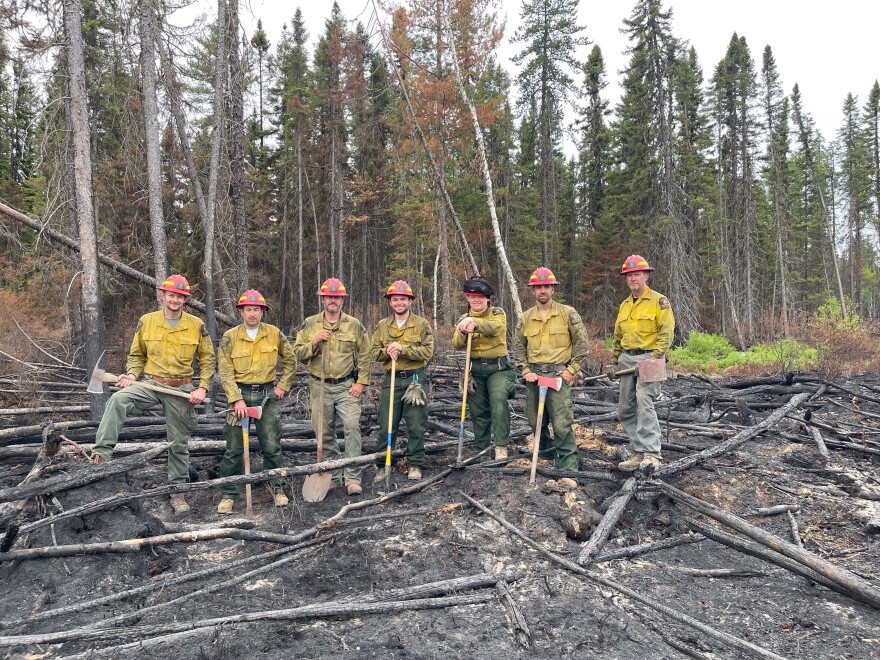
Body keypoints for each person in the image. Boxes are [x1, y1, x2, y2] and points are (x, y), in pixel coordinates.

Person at [90, 274, 214, 515]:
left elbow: (208, 360)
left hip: (180, 389)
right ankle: (100, 458)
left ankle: (177, 492)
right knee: (117, 400)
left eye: (180, 296)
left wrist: (202, 387)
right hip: (149, 384)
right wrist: (132, 376)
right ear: (163, 295)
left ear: (185, 299)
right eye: (171, 295)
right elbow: (137, 356)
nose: (175, 299)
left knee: (178, 442)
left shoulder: (196, 325)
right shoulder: (147, 321)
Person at [216, 290, 297, 513]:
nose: (252, 314)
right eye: (248, 309)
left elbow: (291, 361)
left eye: (257, 310)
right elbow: (224, 371)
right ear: (241, 311)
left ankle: (278, 488)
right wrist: (236, 400)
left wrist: (283, 386)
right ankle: (229, 494)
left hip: (266, 396)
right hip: (239, 396)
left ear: (263, 312)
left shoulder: (274, 334)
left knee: (271, 445)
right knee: (233, 448)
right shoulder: (229, 337)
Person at [293, 278, 371, 496]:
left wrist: (361, 382)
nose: (333, 301)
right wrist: (314, 342)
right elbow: (297, 353)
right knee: (324, 432)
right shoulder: (310, 324)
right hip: (319, 386)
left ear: (342, 300)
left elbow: (365, 354)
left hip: (346, 386)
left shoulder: (354, 324)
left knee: (352, 426)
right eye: (329, 297)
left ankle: (353, 477)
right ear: (323, 300)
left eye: (337, 297)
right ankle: (333, 475)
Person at [513, 267, 589, 472]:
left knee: (562, 422)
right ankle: (546, 454)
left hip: (558, 375)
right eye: (538, 287)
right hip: (534, 376)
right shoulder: (526, 318)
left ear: (553, 289)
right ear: (533, 291)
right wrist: (525, 369)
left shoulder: (568, 313)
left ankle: (569, 465)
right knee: (534, 420)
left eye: (546, 286)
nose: (542, 291)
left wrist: (571, 370)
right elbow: (518, 346)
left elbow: (582, 343)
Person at [607, 255, 675, 472]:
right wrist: (613, 360)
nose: (633, 278)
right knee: (626, 407)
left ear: (646, 275)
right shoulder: (625, 305)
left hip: (651, 357)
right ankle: (637, 452)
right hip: (627, 358)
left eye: (637, 274)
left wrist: (655, 357)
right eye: (629, 275)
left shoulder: (659, 301)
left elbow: (666, 332)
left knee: (644, 399)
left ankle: (652, 453)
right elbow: (618, 336)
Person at [370, 280, 434, 481]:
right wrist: (386, 351)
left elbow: (427, 351)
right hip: (392, 379)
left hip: (415, 379)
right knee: (387, 422)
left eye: (402, 299)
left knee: (416, 423)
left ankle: (415, 463)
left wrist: (403, 349)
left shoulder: (422, 324)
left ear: (410, 301)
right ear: (390, 302)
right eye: (395, 299)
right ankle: (383, 463)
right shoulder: (382, 326)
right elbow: (373, 352)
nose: (399, 303)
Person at [452, 275, 516, 460]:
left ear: (488, 298)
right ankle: (482, 448)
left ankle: (501, 446)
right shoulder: (463, 318)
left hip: (498, 369)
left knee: (498, 402)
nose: (476, 299)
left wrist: (474, 323)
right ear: (467, 298)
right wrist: (463, 331)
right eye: (472, 296)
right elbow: (456, 343)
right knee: (478, 411)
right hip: (475, 371)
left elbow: (494, 328)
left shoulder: (497, 313)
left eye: (480, 296)